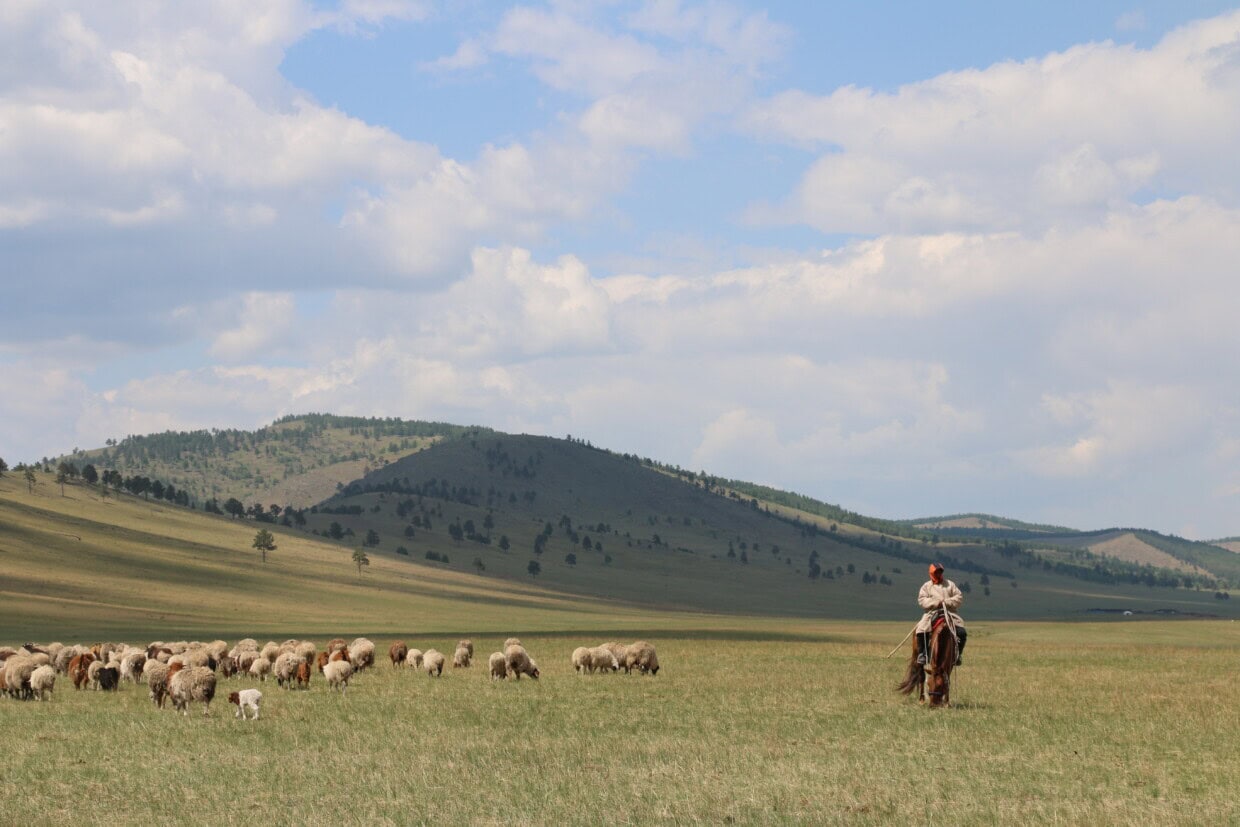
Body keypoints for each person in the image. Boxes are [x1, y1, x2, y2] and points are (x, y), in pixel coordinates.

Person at [915, 562, 967, 666]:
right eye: (936, 572)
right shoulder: (926, 586)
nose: (939, 574)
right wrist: (936, 603)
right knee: (921, 630)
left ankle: (957, 655)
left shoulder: (950, 584)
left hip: (949, 613)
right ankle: (923, 654)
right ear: (931, 573)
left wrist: (946, 602)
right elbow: (922, 600)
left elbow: (959, 597)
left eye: (940, 572)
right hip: (932, 612)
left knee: (962, 632)